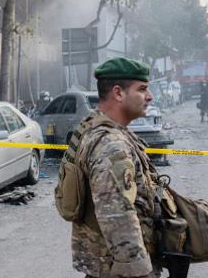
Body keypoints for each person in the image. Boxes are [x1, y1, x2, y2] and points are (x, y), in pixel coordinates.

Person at [67, 57, 160, 278]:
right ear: (118, 93)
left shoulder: (101, 128)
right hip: (117, 268)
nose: (150, 96)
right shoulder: (111, 144)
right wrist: (138, 271)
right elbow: (117, 214)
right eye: (142, 89)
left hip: (107, 264)